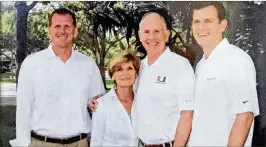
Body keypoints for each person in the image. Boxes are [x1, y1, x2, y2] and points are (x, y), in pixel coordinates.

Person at [90, 12, 195, 147]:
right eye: (146, 32)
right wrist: (100, 100)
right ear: (140, 36)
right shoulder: (141, 67)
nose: (151, 37)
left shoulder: (180, 65)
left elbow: (187, 114)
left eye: (157, 31)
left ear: (166, 34)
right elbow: (128, 91)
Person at [9, 8, 105, 147]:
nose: (62, 30)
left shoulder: (88, 65)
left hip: (80, 143)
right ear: (49, 31)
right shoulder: (32, 63)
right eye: (57, 26)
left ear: (75, 31)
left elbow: (99, 106)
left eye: (67, 26)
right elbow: (24, 109)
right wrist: (23, 144)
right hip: (41, 143)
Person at [187, 2, 260, 146]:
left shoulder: (237, 59)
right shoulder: (201, 65)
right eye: (197, 21)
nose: (201, 27)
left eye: (208, 21)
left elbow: (244, 116)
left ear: (223, 25)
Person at [90, 50, 141, 146]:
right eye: (119, 69)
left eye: (129, 68)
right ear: (112, 75)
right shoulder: (101, 105)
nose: (125, 73)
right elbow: (96, 142)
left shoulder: (142, 101)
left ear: (136, 73)